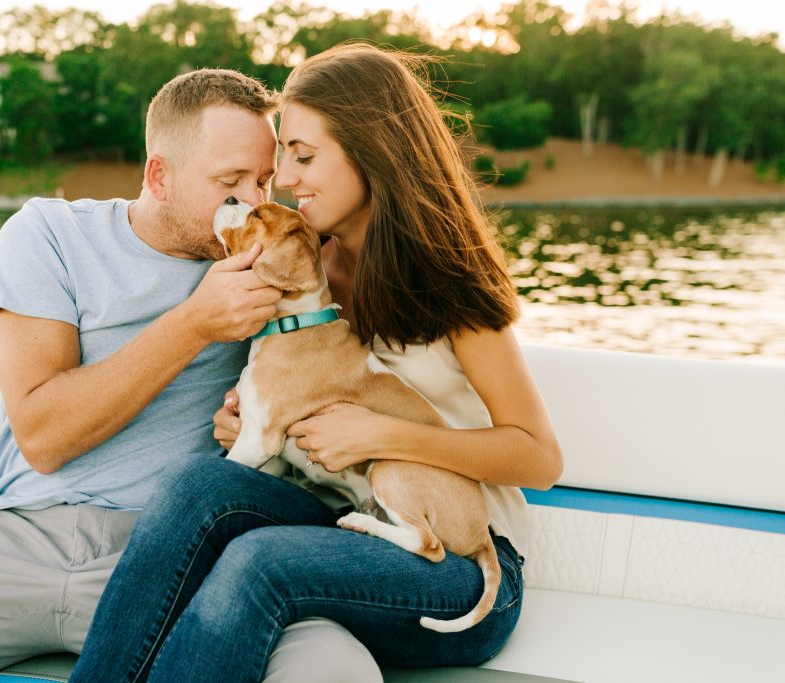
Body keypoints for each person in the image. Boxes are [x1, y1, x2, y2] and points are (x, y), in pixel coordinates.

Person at [0, 68, 375, 683]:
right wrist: (193, 323)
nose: (254, 199)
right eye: (229, 182)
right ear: (158, 175)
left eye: (264, 179)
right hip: (23, 542)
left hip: (186, 549)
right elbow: (44, 436)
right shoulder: (50, 234)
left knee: (334, 670)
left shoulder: (277, 260)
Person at [68, 44, 564, 683]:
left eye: (304, 157)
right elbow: (288, 393)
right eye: (283, 164)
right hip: (344, 520)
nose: (287, 181)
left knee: (259, 562)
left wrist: (383, 435)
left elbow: (539, 458)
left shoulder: (449, 283)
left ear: (372, 151)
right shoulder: (303, 266)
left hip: (461, 566)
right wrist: (246, 420)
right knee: (196, 485)